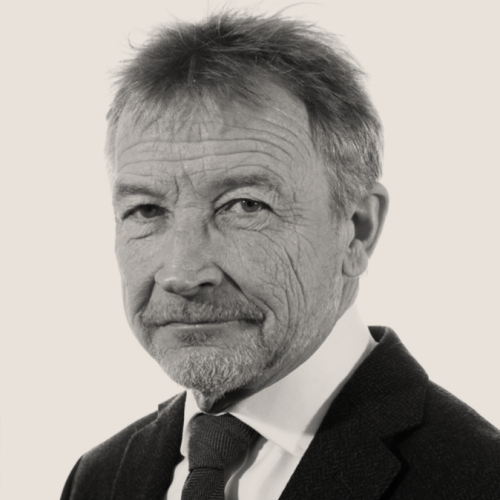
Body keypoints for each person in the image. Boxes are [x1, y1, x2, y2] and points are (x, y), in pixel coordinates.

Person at [61, 10, 500, 500]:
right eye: (146, 210)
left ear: (357, 230)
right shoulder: (99, 479)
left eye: (244, 205)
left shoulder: (480, 480)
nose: (182, 273)